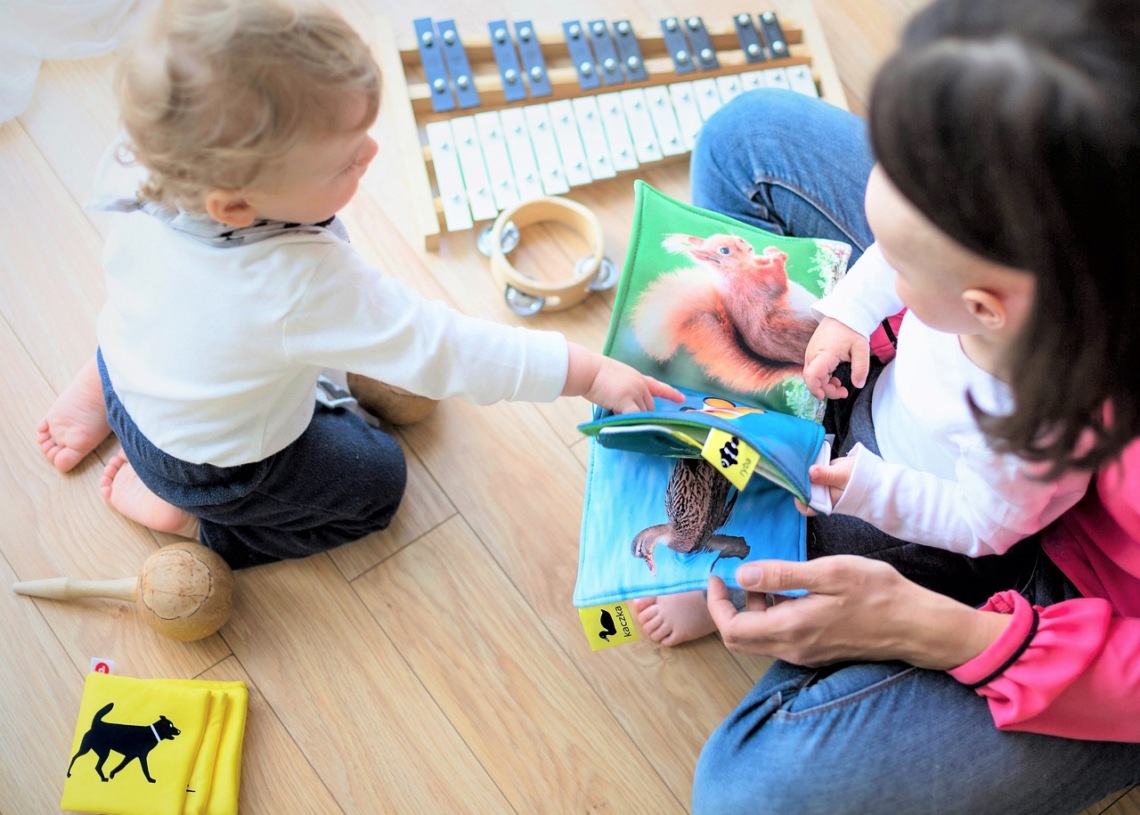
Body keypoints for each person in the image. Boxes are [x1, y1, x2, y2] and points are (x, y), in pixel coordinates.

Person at [660, 0, 1140, 811]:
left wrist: (931, 625)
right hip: (945, 368)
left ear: (988, 307)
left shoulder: (1022, 432)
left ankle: (732, 581)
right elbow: (890, 264)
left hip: (973, 533)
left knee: (751, 790)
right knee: (749, 137)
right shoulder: (1004, 289)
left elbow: (978, 523)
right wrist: (856, 307)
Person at [35, 0, 680, 569]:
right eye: (346, 158)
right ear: (235, 206)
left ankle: (98, 389)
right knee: (376, 483)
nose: (372, 154)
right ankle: (198, 523)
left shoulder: (141, 165)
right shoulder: (296, 284)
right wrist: (590, 374)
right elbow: (444, 348)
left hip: (134, 371)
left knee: (160, 310)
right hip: (211, 467)